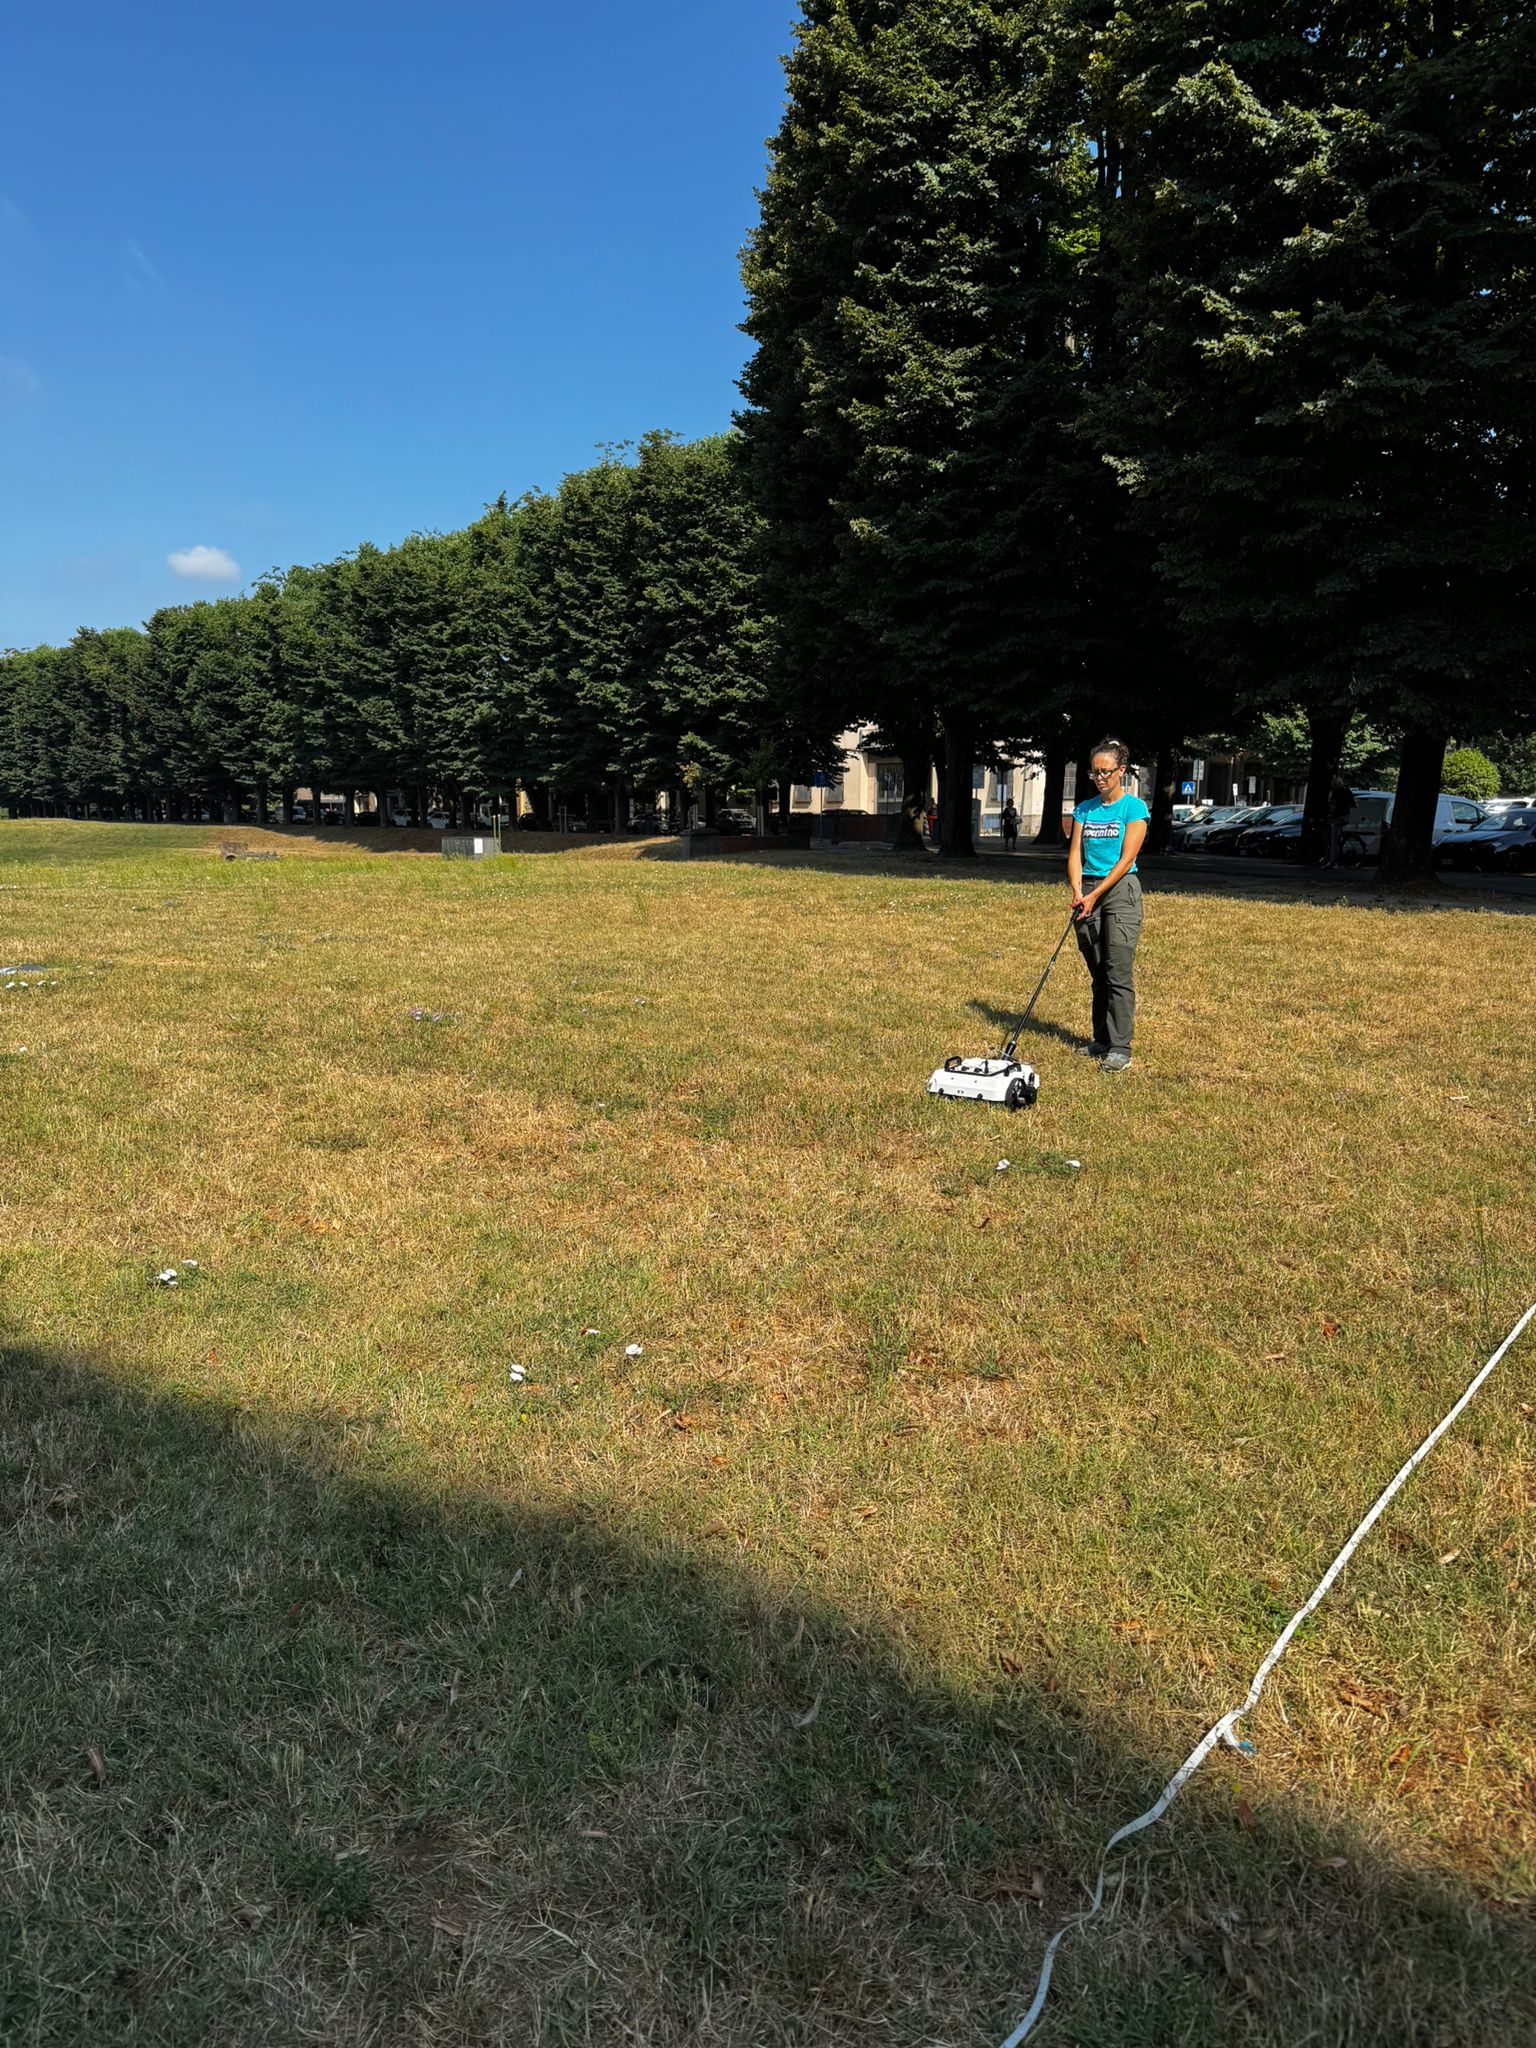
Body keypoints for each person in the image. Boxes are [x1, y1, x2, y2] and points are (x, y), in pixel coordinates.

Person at [1068, 739, 1149, 1072]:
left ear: (1121, 771)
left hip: (1119, 890)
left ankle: (1120, 1048)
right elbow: (1075, 854)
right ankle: (1101, 1039)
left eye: (1105, 772)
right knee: (1098, 969)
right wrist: (1078, 891)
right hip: (1086, 890)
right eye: (1094, 772)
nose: (1100, 778)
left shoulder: (1134, 808)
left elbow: (1126, 858)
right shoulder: (1085, 810)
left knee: (1117, 970)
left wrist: (1095, 894)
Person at [1326, 776, 1354, 867]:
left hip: (1339, 817)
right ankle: (1337, 857)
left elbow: (1333, 806)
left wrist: (1331, 815)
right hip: (1345, 816)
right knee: (1337, 837)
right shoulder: (1347, 791)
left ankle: (1332, 861)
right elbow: (1353, 804)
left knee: (1334, 840)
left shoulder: (1336, 793)